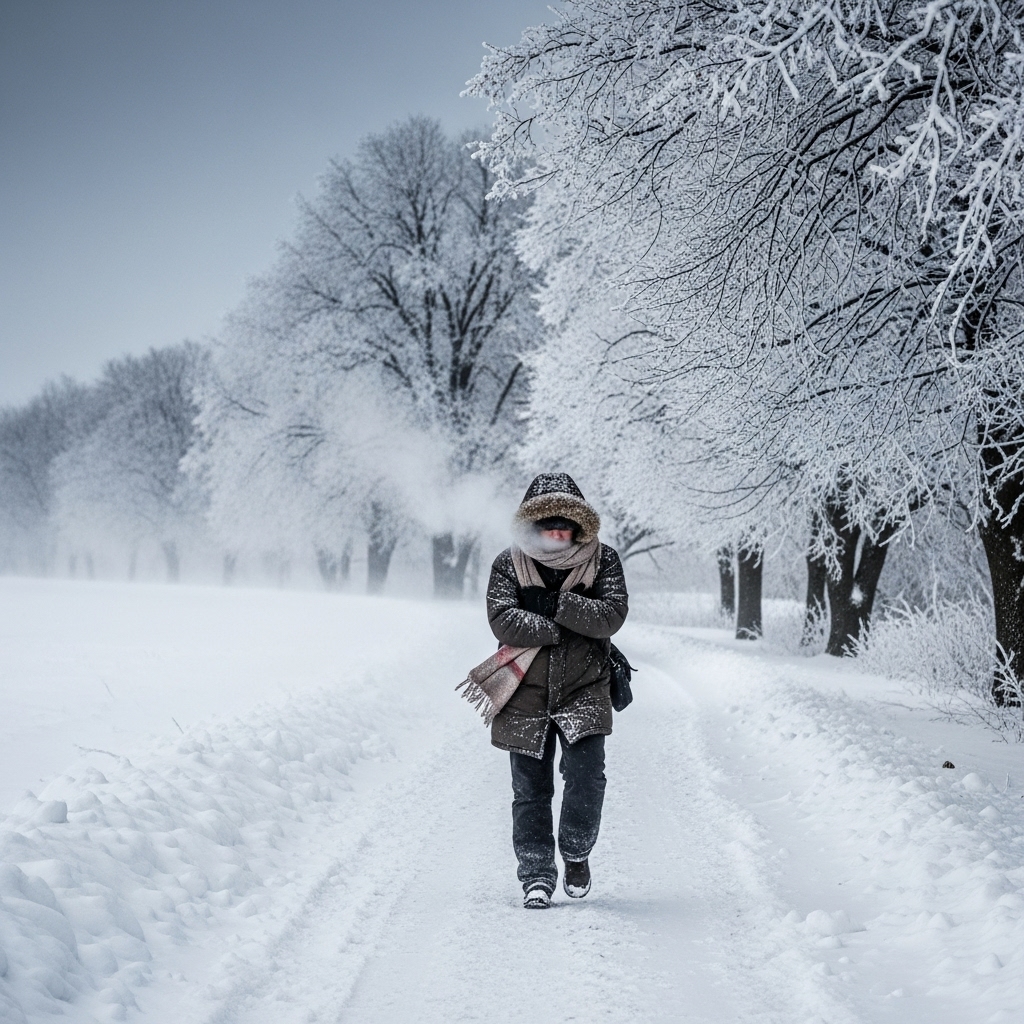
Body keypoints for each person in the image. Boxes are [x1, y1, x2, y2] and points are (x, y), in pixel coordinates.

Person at [485, 473, 628, 909]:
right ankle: (536, 876)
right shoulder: (507, 564)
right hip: (523, 692)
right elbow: (502, 621)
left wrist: (558, 605)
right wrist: (561, 624)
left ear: (579, 525)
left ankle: (576, 852)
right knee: (530, 791)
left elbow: (611, 616)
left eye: (564, 524)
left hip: (586, 687)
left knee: (586, 780)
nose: (556, 532)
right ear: (532, 526)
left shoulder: (604, 561)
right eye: (547, 524)